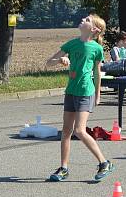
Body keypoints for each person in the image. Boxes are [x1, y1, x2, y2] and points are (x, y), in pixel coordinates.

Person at [47, 14, 115, 182]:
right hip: (71, 90)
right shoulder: (71, 44)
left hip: (86, 91)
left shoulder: (96, 49)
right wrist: (60, 60)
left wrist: (98, 94)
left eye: (87, 20)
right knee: (66, 131)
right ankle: (63, 168)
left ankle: (104, 162)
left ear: (94, 29)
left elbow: (97, 73)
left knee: (79, 130)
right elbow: (49, 62)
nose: (83, 20)